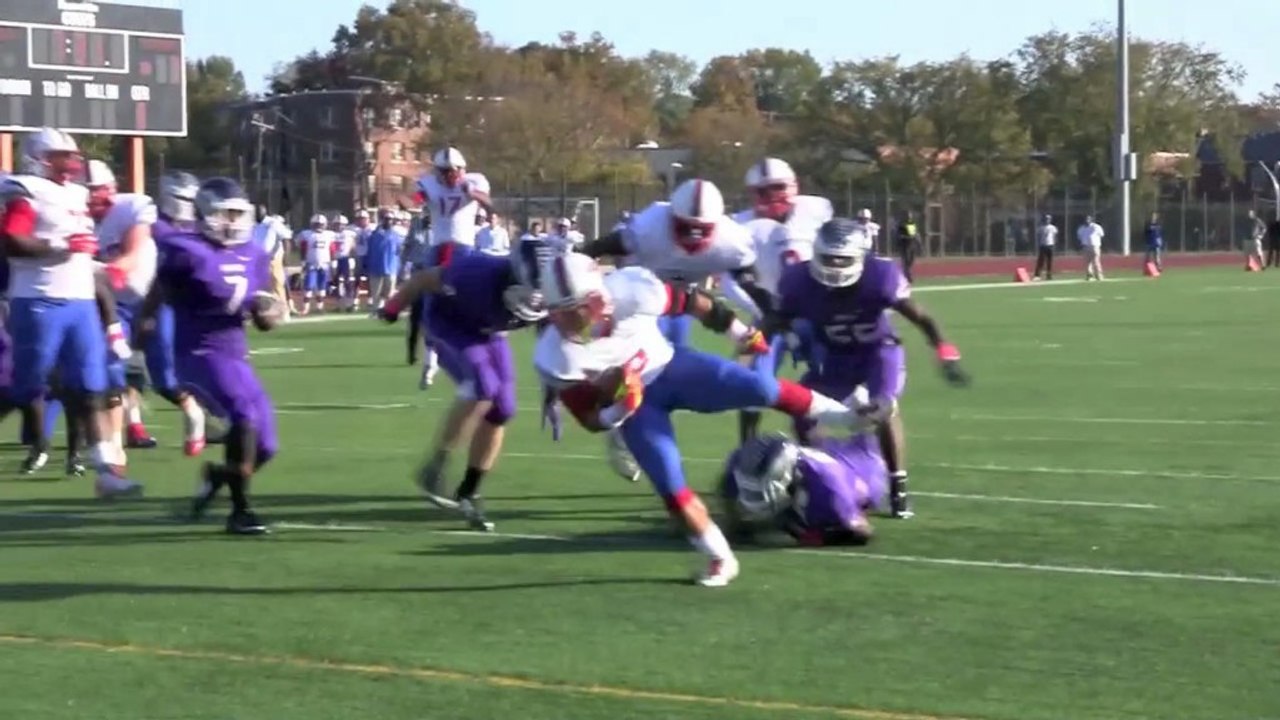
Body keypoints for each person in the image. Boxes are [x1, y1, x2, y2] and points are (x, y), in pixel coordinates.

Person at [534, 253, 868, 586]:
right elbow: (590, 420)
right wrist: (622, 409)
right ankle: (720, 557)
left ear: (595, 298)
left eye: (569, 310)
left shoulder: (632, 290)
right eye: (557, 312)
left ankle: (847, 416)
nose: (561, 321)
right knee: (672, 490)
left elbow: (693, 302)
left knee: (760, 387)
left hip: (673, 368)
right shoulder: (556, 356)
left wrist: (739, 332)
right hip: (638, 409)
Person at [771, 217, 970, 520]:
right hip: (834, 356)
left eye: (843, 260)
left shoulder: (880, 275)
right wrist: (777, 338)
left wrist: (945, 350)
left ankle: (897, 489)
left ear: (860, 257)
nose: (835, 267)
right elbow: (774, 319)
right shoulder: (798, 281)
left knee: (884, 408)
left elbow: (921, 317)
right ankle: (822, 475)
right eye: (829, 259)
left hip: (878, 352)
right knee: (802, 409)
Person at [0, 128, 139, 495]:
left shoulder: (77, 193)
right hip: (39, 300)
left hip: (78, 301)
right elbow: (13, 240)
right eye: (64, 155)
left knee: (90, 386)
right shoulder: (25, 189)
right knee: (23, 387)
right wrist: (60, 244)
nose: (73, 161)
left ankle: (107, 473)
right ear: (40, 157)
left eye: (74, 155)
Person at [144, 177, 282, 535]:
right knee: (243, 414)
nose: (233, 222)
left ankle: (218, 476)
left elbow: (263, 307)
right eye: (226, 214)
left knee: (266, 445)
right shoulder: (184, 248)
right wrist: (146, 317)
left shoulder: (254, 253)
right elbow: (161, 285)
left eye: (239, 214)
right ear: (205, 213)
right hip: (198, 350)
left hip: (235, 353)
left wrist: (268, 313)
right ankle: (241, 512)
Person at [376, 242, 547, 530]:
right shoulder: (475, 274)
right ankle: (436, 466)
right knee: (483, 384)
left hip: (489, 330)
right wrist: (393, 307)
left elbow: (563, 329)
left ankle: (469, 490)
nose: (538, 300)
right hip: (449, 322)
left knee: (503, 409)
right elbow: (421, 279)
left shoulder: (557, 288)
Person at [730, 157, 832, 443]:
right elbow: (730, 281)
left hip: (813, 313)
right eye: (763, 191)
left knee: (831, 378)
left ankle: (822, 450)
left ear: (793, 186)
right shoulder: (740, 226)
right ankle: (747, 450)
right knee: (749, 382)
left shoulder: (817, 210)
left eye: (778, 188)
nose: (773, 197)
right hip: (767, 313)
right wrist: (764, 311)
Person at [720, 419, 889, 546]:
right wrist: (735, 522)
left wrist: (810, 535)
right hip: (814, 463)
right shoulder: (742, 464)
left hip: (860, 468)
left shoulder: (832, 491)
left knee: (869, 489)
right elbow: (728, 493)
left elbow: (862, 531)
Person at [363, 209, 403, 311]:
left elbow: (400, 251)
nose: (388, 221)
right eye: (386, 219)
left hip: (391, 268)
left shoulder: (396, 235)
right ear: (382, 220)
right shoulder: (374, 234)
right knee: (376, 293)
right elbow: (369, 250)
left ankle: (386, 310)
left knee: (389, 293)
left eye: (390, 219)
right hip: (376, 268)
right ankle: (376, 311)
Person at [894, 211, 921, 282]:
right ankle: (908, 276)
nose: (909, 217)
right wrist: (905, 237)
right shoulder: (901, 225)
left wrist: (919, 243)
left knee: (911, 261)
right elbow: (899, 235)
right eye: (908, 216)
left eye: (910, 216)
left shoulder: (912, 224)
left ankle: (906, 273)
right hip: (905, 245)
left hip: (912, 245)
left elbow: (916, 234)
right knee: (906, 261)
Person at [1076, 215, 1104, 281]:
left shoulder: (1096, 227)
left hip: (1095, 246)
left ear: (1091, 219)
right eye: (1086, 219)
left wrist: (1096, 242)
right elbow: (1080, 237)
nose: (1087, 220)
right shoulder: (1081, 228)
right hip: (1085, 246)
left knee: (1096, 261)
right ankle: (1089, 275)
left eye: (1088, 219)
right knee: (1087, 262)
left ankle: (1099, 275)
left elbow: (1101, 235)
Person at [1033, 214, 1057, 280]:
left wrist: (1054, 244)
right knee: (1041, 261)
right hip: (1043, 245)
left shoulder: (1053, 228)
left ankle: (1049, 275)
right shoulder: (1041, 227)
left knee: (1049, 262)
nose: (1047, 220)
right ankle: (1037, 275)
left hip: (1050, 245)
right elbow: (1038, 236)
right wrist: (1039, 244)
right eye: (1046, 219)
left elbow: (1054, 236)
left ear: (1050, 220)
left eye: (1048, 219)